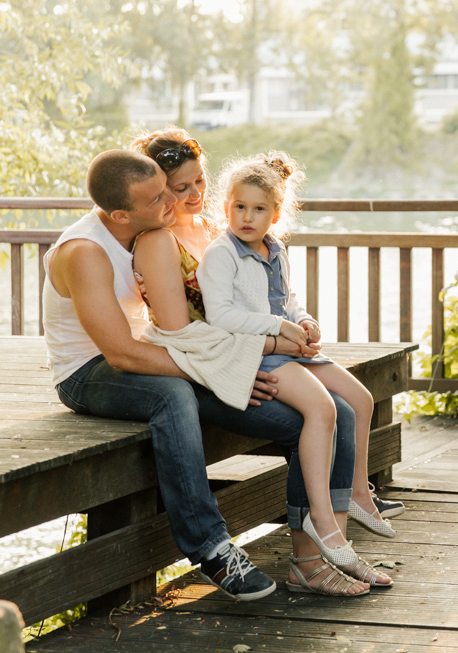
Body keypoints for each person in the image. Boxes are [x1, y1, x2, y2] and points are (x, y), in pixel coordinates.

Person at [42, 148, 361, 602]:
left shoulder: (156, 232)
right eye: (157, 200)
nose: (171, 204)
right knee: (173, 396)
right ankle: (210, 547)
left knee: (307, 420)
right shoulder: (85, 252)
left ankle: (309, 562)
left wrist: (251, 352)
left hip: (165, 355)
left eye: (167, 190)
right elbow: (120, 354)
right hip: (90, 373)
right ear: (119, 213)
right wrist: (222, 371)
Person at [129, 128, 392, 592]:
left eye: (199, 182)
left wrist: (298, 328)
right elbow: (182, 330)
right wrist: (271, 345)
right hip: (210, 367)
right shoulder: (159, 241)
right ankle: (313, 551)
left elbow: (276, 298)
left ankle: (327, 550)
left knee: (348, 410)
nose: (193, 195)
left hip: (252, 352)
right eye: (180, 186)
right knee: (313, 417)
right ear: (156, 189)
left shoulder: (219, 230)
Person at [195, 151, 398, 578]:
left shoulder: (275, 249)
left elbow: (289, 301)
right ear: (225, 205)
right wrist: (279, 327)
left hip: (288, 345)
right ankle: (321, 519)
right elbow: (222, 316)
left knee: (360, 400)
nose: (247, 217)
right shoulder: (222, 254)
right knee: (324, 410)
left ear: (276, 213)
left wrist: (303, 321)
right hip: (259, 353)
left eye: (259, 209)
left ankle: (360, 493)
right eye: (239, 206)